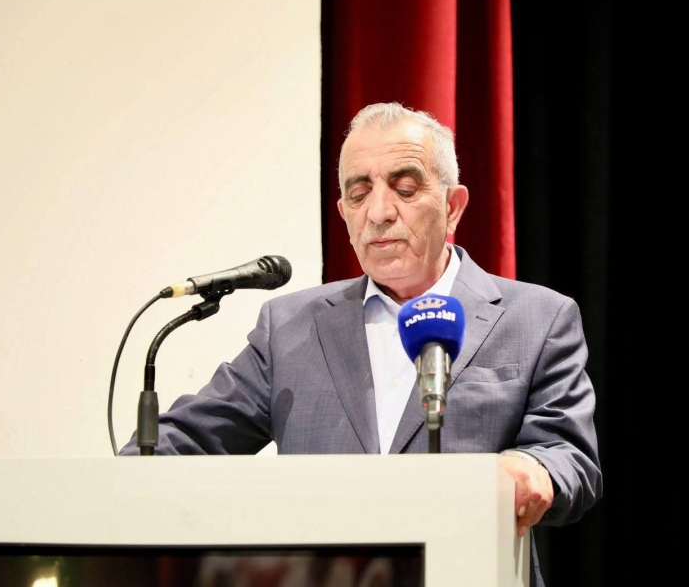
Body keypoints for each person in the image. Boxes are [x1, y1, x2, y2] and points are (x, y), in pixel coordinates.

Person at [121, 102, 602, 585]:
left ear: (453, 206)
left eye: (405, 189)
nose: (379, 212)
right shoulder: (290, 326)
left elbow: (570, 456)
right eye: (358, 193)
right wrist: (116, 488)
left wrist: (532, 466)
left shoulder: (537, 317)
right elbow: (188, 438)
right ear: (344, 213)